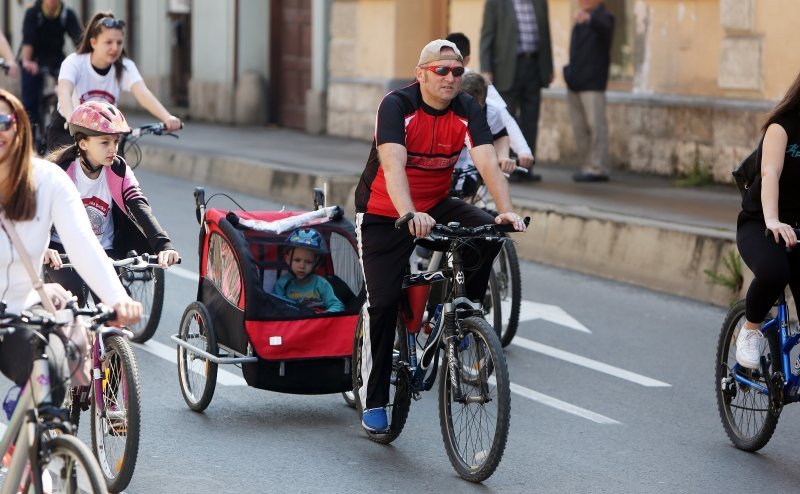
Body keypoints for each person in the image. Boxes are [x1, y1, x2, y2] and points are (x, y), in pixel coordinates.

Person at [354, 39, 527, 433]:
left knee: (488, 233)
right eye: (441, 71)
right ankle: (376, 396)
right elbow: (394, 165)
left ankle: (460, 310)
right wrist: (408, 213)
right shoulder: (397, 106)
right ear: (421, 74)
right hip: (385, 212)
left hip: (435, 203)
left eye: (457, 71)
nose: (450, 78)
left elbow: (486, 160)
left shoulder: (467, 107)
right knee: (382, 305)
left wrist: (506, 211)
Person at [0, 89, 140, 385]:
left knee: (52, 380)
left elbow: (83, 244)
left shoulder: (48, 180)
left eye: (4, 121)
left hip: (16, 315)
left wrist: (116, 298)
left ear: (19, 126)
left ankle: (43, 428)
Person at [43, 101, 179, 306]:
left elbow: (140, 206)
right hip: (62, 250)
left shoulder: (118, 170)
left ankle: (112, 339)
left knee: (115, 309)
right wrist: (43, 247)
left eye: (116, 141)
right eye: (104, 142)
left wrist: (164, 245)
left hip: (103, 251)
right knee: (74, 303)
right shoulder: (61, 171)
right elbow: (40, 212)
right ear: (82, 143)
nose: (113, 148)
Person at [735, 69, 800, 370]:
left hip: (799, 228)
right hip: (761, 223)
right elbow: (769, 173)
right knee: (775, 272)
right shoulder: (781, 127)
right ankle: (750, 330)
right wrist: (772, 220)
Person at [47, 11, 182, 152]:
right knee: (65, 171)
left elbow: (143, 93)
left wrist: (167, 117)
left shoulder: (125, 66)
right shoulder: (74, 62)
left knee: (119, 171)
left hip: (105, 133)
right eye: (108, 42)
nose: (115, 48)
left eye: (119, 42)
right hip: (67, 129)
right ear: (93, 42)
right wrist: (71, 119)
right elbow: (64, 92)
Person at [480, 0, 553, 182]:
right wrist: (486, 68)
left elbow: (545, 35)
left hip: (534, 66)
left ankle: (526, 167)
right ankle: (509, 166)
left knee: (531, 118)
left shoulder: (540, 3)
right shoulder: (496, 3)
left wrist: (548, 67)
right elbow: (487, 35)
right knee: (507, 117)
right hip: (506, 68)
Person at [445, 32, 534, 179]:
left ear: (466, 61)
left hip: (472, 162)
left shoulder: (478, 83)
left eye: (456, 65)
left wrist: (523, 151)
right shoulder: (433, 82)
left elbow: (502, 118)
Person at [564, 0, 614, 183]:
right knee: (580, 128)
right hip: (575, 82)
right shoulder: (580, 19)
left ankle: (598, 167)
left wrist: (590, 19)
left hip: (593, 84)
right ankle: (587, 167)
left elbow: (605, 29)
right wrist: (568, 72)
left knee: (596, 127)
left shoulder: (604, 17)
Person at [19, 0, 81, 126]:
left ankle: (67, 126)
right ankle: (30, 129)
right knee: (30, 100)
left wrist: (86, 59)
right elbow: (28, 40)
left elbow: (79, 40)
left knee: (70, 89)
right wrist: (27, 61)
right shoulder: (33, 13)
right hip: (35, 59)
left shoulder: (67, 14)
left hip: (57, 58)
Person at [273, 228, 344, 313]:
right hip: (293, 324)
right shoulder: (282, 284)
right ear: (288, 260)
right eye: (297, 260)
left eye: (308, 262)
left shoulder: (321, 284)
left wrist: (325, 315)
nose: (302, 266)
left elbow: (337, 305)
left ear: (317, 264)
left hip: (318, 323)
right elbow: (275, 307)